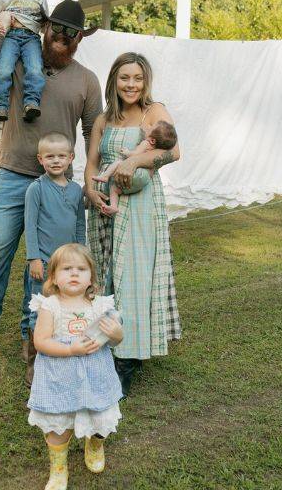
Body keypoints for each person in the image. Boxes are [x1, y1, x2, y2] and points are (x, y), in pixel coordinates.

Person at [0, 0, 101, 362]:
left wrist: (90, 175)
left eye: (72, 33)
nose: (63, 37)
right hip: (13, 177)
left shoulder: (86, 79)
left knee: (43, 265)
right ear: (45, 27)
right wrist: (2, 28)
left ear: (80, 38)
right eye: (58, 29)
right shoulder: (18, 61)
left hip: (57, 186)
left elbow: (93, 132)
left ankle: (32, 334)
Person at [85, 52, 182, 397]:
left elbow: (174, 152)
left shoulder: (153, 111)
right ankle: (108, 345)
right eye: (125, 78)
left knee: (133, 277)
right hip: (104, 203)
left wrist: (137, 161)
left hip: (140, 204)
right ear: (114, 80)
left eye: (137, 79)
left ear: (145, 82)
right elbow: (92, 160)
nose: (131, 85)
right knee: (106, 274)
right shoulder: (102, 119)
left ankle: (128, 359)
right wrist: (90, 191)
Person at [28, 243, 123, 490]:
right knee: (59, 422)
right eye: (66, 269)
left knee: (102, 418)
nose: (74, 274)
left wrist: (117, 334)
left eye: (81, 269)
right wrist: (70, 349)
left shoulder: (100, 306)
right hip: (59, 377)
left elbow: (114, 340)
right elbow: (40, 341)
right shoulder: (50, 306)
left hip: (96, 376)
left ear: (91, 276)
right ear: (54, 278)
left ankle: (95, 445)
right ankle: (58, 469)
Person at [23, 132, 86, 386]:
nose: (56, 161)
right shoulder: (36, 189)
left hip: (68, 264)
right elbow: (30, 224)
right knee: (39, 308)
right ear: (41, 159)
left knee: (65, 308)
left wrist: (81, 256)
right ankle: (34, 361)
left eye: (62, 156)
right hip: (45, 262)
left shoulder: (75, 190)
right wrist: (33, 258)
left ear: (71, 158)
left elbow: (79, 224)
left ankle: (59, 352)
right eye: (50, 156)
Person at [92, 120, 177, 215]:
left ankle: (106, 177)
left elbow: (135, 154)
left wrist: (127, 152)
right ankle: (114, 207)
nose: (148, 128)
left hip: (136, 172)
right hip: (145, 179)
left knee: (118, 165)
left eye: (151, 127)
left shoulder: (146, 143)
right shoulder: (158, 150)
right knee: (117, 189)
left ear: (152, 140)